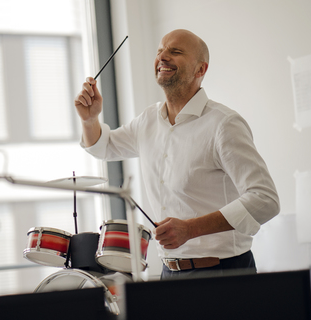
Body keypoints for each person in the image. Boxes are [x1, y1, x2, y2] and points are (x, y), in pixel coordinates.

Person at [74, 29, 280, 279]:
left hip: (223, 273)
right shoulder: (147, 121)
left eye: (176, 51)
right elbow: (103, 147)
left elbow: (265, 200)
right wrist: (90, 118)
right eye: (160, 50)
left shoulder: (224, 124)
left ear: (200, 70)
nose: (163, 57)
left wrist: (190, 229)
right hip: (168, 273)